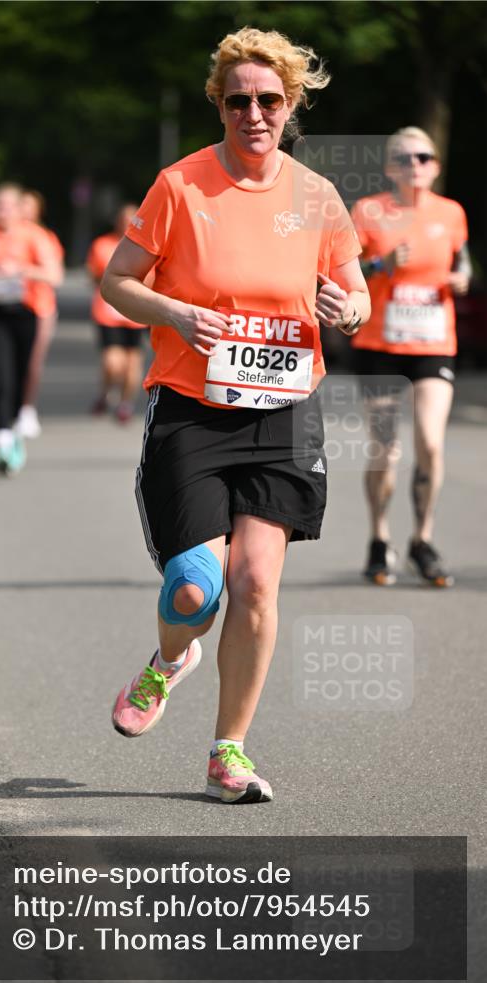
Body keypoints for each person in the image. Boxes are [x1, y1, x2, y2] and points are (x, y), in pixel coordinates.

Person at [102, 27, 369, 803]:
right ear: (218, 105)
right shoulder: (180, 186)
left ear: (289, 107)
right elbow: (118, 282)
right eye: (238, 100)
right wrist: (178, 315)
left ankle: (229, 753)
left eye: (269, 100)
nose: (254, 113)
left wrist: (346, 308)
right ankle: (167, 661)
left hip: (284, 409)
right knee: (196, 586)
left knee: (254, 582)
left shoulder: (315, 196)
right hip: (192, 407)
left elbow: (355, 294)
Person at [350, 127, 471, 587]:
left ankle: (422, 539)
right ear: (390, 168)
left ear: (435, 166)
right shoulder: (369, 211)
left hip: (433, 344)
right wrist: (383, 265)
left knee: (431, 442)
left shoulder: (451, 212)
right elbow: (343, 273)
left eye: (423, 157)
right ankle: (380, 539)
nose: (414, 165)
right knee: (386, 450)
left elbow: (461, 259)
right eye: (404, 158)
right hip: (380, 347)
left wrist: (461, 276)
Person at [0, 183, 62, 475]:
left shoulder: (35, 236)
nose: (0, 212)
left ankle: (17, 427)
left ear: (20, 208)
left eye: (6, 206)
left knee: (21, 376)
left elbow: (54, 275)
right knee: (0, 377)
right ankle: (3, 440)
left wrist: (21, 270)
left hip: (26, 311)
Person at [87, 204, 148, 423]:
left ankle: (125, 403)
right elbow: (94, 276)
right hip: (108, 312)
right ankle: (105, 392)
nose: (127, 223)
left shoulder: (147, 245)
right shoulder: (102, 245)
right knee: (113, 362)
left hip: (136, 313)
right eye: (124, 219)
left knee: (132, 363)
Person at [16, 189, 65, 438]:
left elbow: (56, 275)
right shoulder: (2, 236)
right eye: (19, 204)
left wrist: (23, 270)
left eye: (28, 205)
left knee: (31, 361)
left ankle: (26, 408)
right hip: (5, 309)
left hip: (38, 307)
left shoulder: (42, 237)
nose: (22, 210)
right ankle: (11, 406)